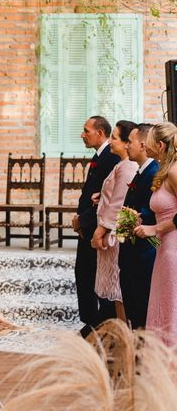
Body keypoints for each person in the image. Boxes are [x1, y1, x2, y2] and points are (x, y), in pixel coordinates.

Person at [73, 116, 120, 337]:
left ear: (100, 133)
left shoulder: (110, 158)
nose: (83, 134)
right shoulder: (99, 157)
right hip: (88, 224)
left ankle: (95, 322)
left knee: (90, 273)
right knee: (83, 273)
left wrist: (84, 220)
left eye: (86, 131)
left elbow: (107, 198)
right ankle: (90, 321)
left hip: (96, 226)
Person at [90, 120, 138, 323]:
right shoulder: (122, 164)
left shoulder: (128, 166)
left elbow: (120, 203)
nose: (110, 141)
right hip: (115, 230)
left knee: (119, 291)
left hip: (116, 234)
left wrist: (100, 231)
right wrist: (100, 197)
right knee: (116, 292)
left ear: (127, 143)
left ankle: (125, 336)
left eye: (114, 137)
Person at [134, 123, 177, 344]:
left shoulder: (173, 171)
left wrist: (156, 228)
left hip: (173, 249)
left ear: (160, 145)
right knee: (162, 305)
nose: (144, 145)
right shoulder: (163, 170)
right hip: (164, 249)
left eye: (149, 141)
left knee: (170, 307)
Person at [119, 123, 158, 329]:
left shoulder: (154, 172)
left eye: (130, 142)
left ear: (143, 145)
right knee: (133, 305)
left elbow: (153, 212)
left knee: (142, 305)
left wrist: (135, 215)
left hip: (144, 252)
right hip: (131, 252)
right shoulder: (141, 172)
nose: (126, 146)